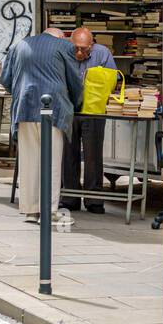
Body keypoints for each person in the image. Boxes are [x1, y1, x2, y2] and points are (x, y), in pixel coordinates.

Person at [0, 27, 84, 226]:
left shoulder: (19, 45)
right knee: (52, 161)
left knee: (29, 162)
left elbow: (5, 79)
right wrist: (76, 102)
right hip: (53, 109)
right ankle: (49, 211)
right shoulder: (65, 46)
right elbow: (74, 81)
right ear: (61, 36)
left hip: (25, 107)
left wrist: (21, 91)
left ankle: (31, 210)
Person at [61, 27, 117, 214]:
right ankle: (70, 197)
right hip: (69, 109)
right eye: (76, 48)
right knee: (68, 154)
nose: (79, 52)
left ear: (92, 45)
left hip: (94, 111)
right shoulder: (64, 53)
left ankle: (94, 200)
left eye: (84, 49)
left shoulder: (102, 53)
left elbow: (112, 79)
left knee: (93, 155)